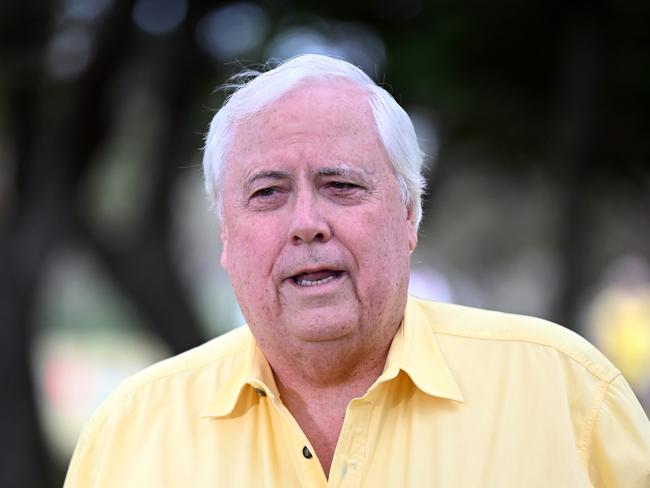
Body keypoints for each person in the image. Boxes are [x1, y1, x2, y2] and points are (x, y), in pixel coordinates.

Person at [64, 54, 650, 487]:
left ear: (410, 214)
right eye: (268, 192)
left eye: (340, 185)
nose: (307, 223)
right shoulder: (129, 435)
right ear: (225, 236)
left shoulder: (567, 395)